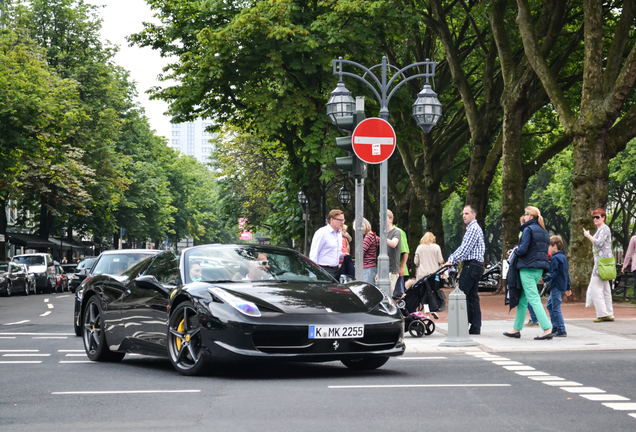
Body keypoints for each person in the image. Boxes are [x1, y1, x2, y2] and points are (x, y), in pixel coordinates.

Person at [503, 206, 553, 340]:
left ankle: (547, 329)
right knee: (523, 300)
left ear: (530, 216)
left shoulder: (528, 229)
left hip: (527, 268)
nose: (524, 217)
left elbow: (523, 249)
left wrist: (514, 251)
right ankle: (516, 329)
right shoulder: (544, 231)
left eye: (525, 214)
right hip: (539, 269)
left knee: (533, 299)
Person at [445, 205, 485, 335]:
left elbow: (465, 249)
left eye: (467, 213)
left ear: (474, 215)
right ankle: (475, 326)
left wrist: (451, 260)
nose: (464, 215)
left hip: (472, 265)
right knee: (472, 296)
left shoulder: (473, 228)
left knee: (461, 295)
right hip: (476, 265)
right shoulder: (473, 228)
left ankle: (462, 324)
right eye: (463, 213)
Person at [583, 208, 615, 322]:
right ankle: (609, 314)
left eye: (598, 217)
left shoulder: (604, 228)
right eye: (594, 217)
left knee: (595, 287)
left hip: (601, 263)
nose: (595, 219)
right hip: (603, 262)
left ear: (603, 217)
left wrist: (588, 235)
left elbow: (599, 243)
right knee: (605, 289)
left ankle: (602, 314)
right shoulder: (602, 229)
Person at [541, 235, 572, 337]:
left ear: (554, 246)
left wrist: (544, 280)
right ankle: (555, 327)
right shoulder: (563, 257)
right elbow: (566, 273)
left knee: (555, 307)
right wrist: (568, 287)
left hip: (556, 285)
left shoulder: (555, 258)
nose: (548, 249)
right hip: (562, 284)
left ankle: (561, 329)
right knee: (550, 305)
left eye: (549, 246)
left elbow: (554, 273)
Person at [309, 209, 346, 280]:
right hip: (323, 270)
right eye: (340, 220)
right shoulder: (322, 233)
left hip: (336, 270)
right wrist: (313, 274)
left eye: (343, 220)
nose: (342, 223)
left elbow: (333, 251)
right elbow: (314, 253)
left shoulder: (339, 234)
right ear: (332, 220)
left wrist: (342, 255)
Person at [386, 210, 402, 296]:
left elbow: (393, 244)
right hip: (383, 270)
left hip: (392, 270)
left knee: (388, 294)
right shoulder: (385, 234)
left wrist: (383, 237)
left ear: (391, 219)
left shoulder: (396, 232)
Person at [359, 218, 379, 284]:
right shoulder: (374, 236)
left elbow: (360, 253)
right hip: (372, 267)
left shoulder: (368, 238)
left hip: (367, 269)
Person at [393, 223, 410, 297]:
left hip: (399, 271)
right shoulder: (385, 233)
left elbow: (405, 251)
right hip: (390, 270)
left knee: (398, 296)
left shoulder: (398, 232)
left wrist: (402, 267)